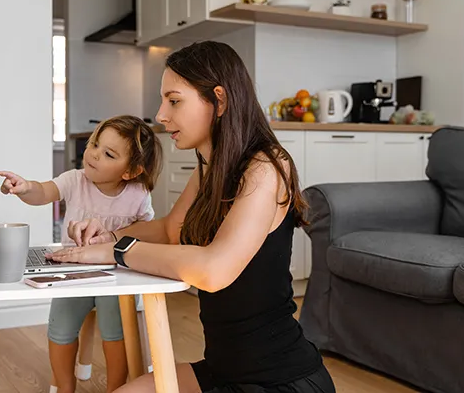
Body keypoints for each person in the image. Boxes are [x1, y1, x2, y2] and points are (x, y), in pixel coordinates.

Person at [48, 41, 336, 393]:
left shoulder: (266, 166)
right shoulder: (209, 168)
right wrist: (107, 235)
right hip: (223, 369)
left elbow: (214, 270)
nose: (161, 115)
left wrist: (118, 250)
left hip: (281, 381)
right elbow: (171, 231)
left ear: (220, 99)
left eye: (174, 100)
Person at [0, 115, 162, 393]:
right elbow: (44, 191)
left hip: (118, 275)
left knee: (116, 332)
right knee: (60, 329)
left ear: (131, 171)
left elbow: (146, 229)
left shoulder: (138, 193)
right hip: (73, 272)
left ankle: (115, 387)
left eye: (108, 154)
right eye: (94, 144)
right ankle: (64, 385)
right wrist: (25, 188)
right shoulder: (75, 180)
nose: (94, 155)